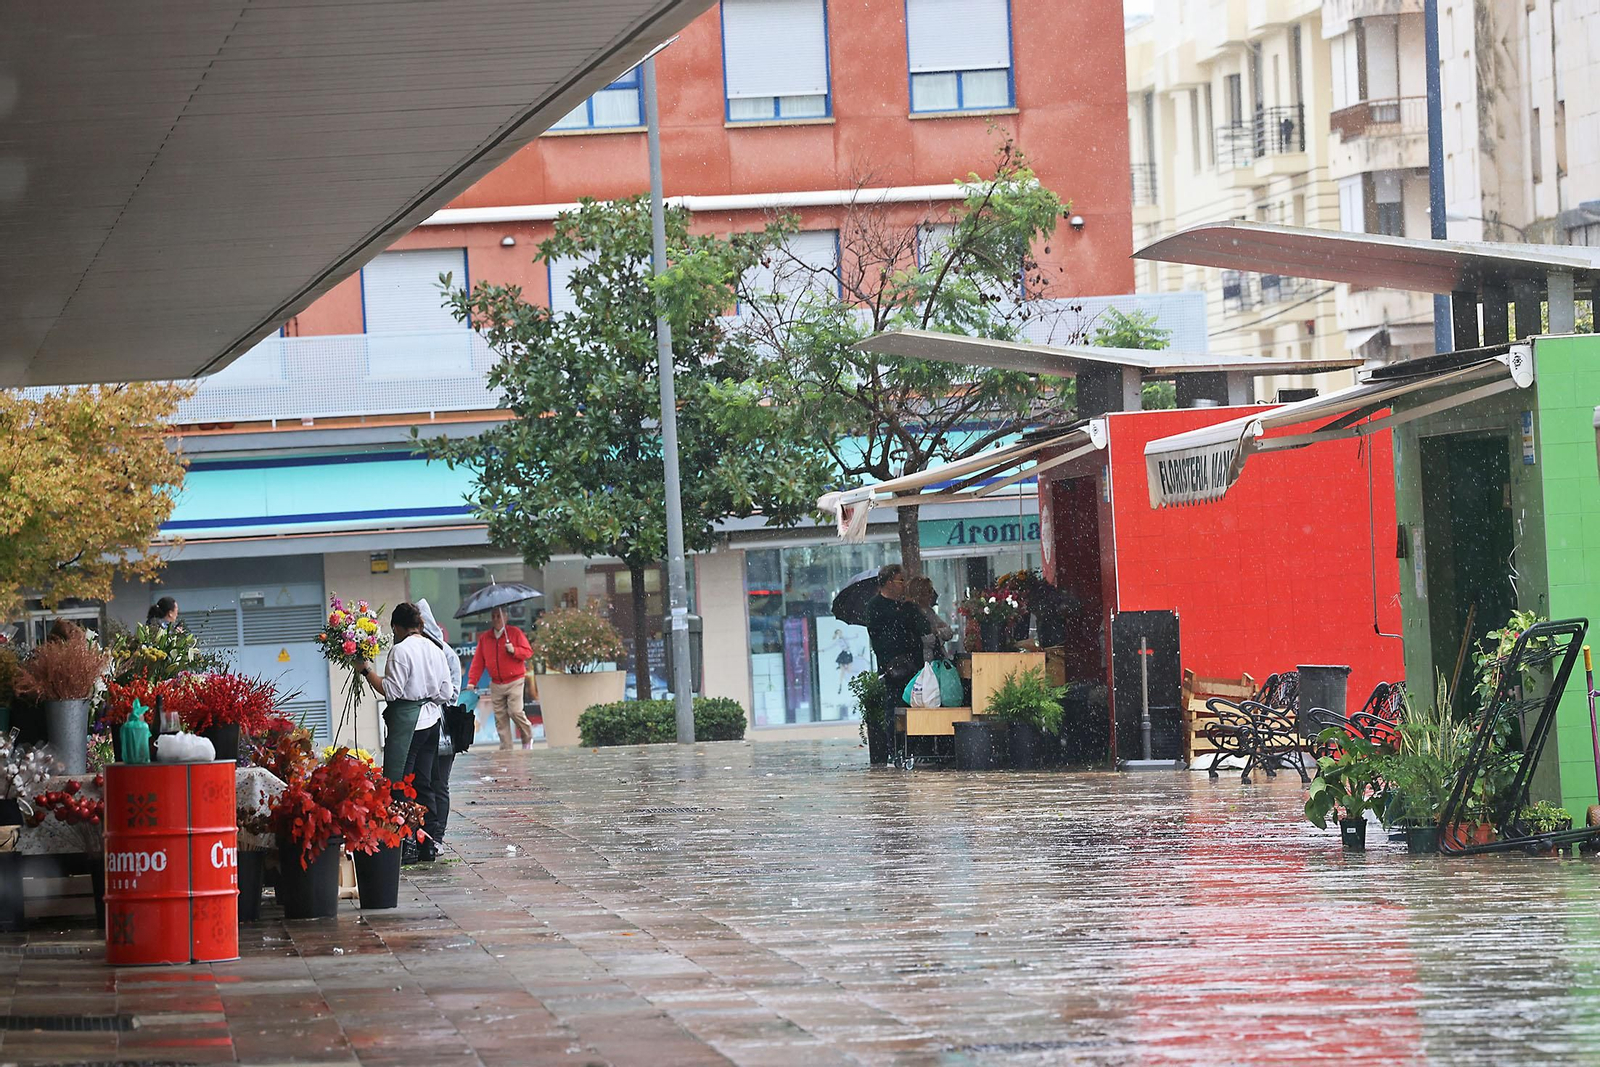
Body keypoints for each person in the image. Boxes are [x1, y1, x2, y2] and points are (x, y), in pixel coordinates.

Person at [357, 603, 456, 864]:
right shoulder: (436, 649)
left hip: (408, 726)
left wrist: (366, 670)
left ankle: (405, 843)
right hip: (432, 721)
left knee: (399, 784)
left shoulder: (400, 651)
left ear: (397, 627)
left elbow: (391, 691)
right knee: (425, 783)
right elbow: (446, 693)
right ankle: (428, 845)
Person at [863, 563, 929, 761]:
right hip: (892, 668)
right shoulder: (875, 606)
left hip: (914, 665)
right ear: (889, 582)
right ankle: (896, 749)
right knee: (894, 708)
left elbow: (923, 627)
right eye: (900, 580)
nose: (903, 585)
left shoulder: (907, 606)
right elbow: (879, 636)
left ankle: (916, 748)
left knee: (916, 705)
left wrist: (910, 607)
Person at [416, 599, 460, 856]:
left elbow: (452, 693)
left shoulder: (446, 654)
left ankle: (438, 836)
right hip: (423, 727)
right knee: (424, 783)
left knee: (439, 783)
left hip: (443, 730)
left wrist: (429, 696)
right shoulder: (417, 652)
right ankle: (424, 835)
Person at [468, 606, 535, 750]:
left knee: (515, 711)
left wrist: (514, 650)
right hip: (496, 683)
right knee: (500, 719)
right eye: (493, 616)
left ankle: (527, 736)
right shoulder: (485, 638)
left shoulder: (514, 633)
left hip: (515, 680)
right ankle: (506, 749)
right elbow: (478, 662)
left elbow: (528, 652)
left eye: (499, 616)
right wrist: (472, 681)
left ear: (506, 617)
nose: (496, 619)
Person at [906, 576, 954, 660]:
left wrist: (937, 632)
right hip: (924, 660)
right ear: (919, 594)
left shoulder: (930, 612)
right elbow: (927, 640)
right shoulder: (912, 614)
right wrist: (937, 632)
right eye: (928, 592)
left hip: (938, 658)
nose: (931, 595)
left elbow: (948, 634)